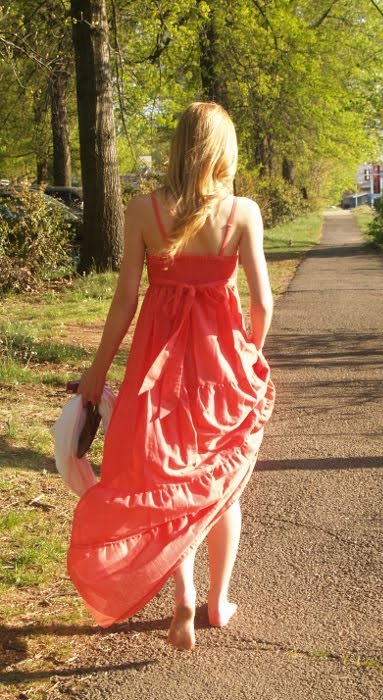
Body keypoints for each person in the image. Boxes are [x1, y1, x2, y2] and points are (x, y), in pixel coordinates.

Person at [69, 102, 275, 650]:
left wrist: (97, 371)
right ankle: (218, 602)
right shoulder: (243, 213)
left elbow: (124, 302)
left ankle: (183, 592)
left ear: (179, 146)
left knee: (164, 479)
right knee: (220, 483)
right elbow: (262, 303)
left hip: (155, 370)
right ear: (224, 151)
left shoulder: (143, 210)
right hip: (219, 369)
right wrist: (251, 356)